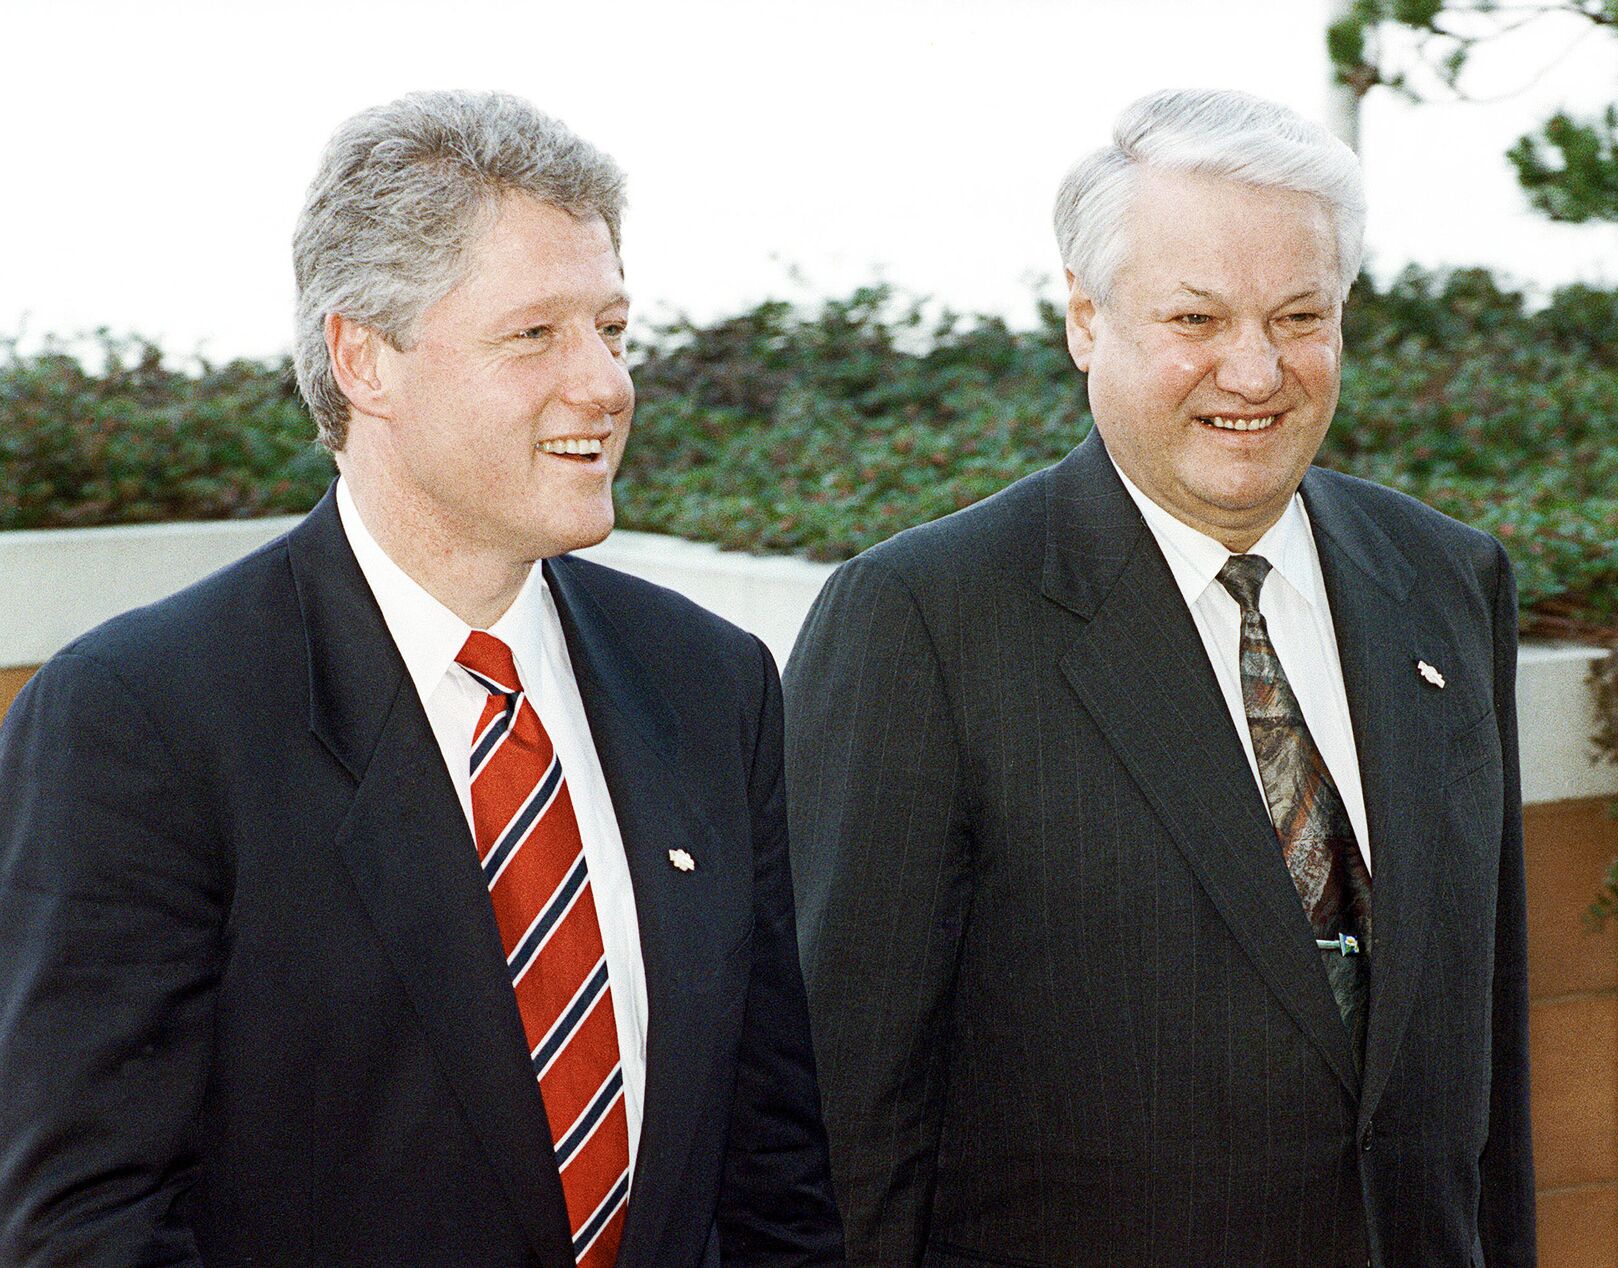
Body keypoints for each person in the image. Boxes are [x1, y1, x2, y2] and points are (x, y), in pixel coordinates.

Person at [0, 91, 842, 1267]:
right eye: (535, 334)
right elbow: (87, 1222)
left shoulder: (711, 682)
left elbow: (778, 1177)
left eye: (614, 328)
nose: (605, 385)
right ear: (365, 358)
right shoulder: (140, 719)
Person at [784, 88, 1535, 1267]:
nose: (1256, 369)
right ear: (1085, 319)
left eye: (1300, 314)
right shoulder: (921, 622)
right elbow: (844, 1112)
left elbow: (1483, 1055)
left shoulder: (1446, 581)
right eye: (1197, 316)